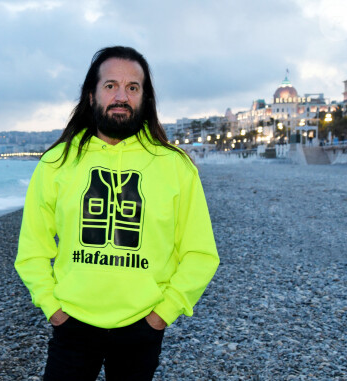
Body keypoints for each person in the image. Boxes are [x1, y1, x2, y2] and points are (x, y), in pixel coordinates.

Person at [15, 46, 219, 381]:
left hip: (142, 327)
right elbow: (32, 249)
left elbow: (200, 253)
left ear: (145, 99)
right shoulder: (56, 163)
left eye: (132, 88)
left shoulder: (176, 167)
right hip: (73, 325)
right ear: (92, 96)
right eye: (110, 86)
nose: (121, 96)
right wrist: (52, 307)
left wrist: (162, 315)